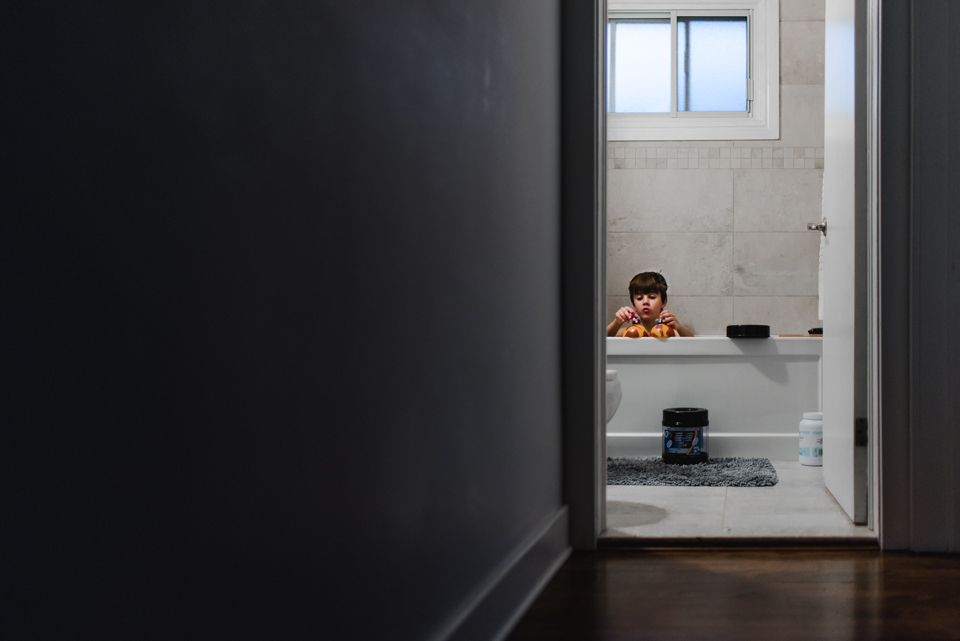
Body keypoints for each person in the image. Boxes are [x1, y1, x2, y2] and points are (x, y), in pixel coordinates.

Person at [606, 272, 694, 337]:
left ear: (663, 302)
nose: (645, 302)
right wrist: (616, 323)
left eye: (652, 297)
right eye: (639, 298)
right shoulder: (628, 333)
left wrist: (679, 327)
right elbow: (598, 341)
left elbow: (693, 344)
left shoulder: (670, 333)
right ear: (633, 305)